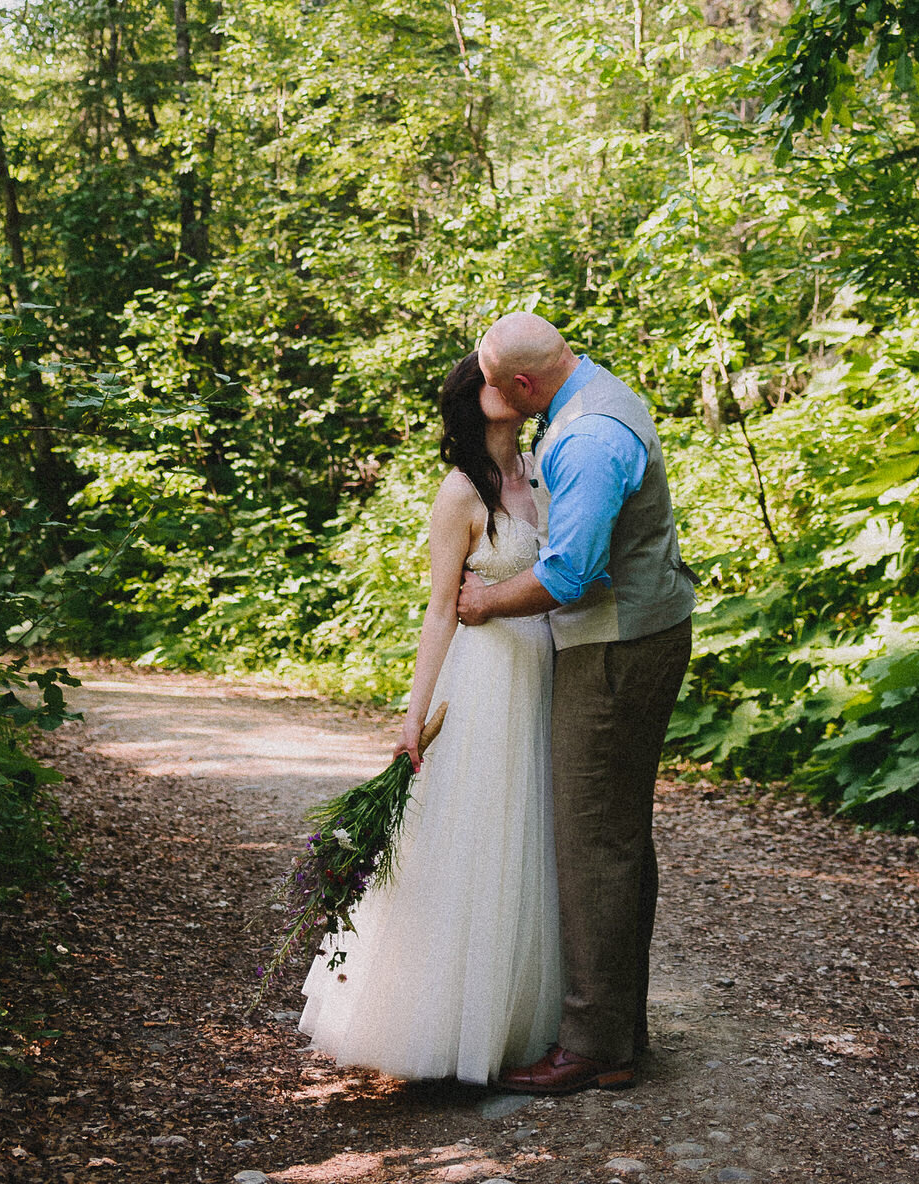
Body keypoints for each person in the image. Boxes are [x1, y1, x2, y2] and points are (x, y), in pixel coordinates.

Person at [298, 351, 562, 1082]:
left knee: (531, 836)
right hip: (484, 680)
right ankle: (446, 1029)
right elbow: (440, 608)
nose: (504, 385)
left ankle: (522, 1023)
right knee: (474, 837)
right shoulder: (458, 493)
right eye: (486, 381)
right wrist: (413, 717)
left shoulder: (542, 468)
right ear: (469, 404)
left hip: (545, 671)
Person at [458, 310, 695, 1097]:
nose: (485, 392)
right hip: (639, 634)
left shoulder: (587, 440)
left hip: (617, 647)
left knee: (592, 837)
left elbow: (572, 576)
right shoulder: (597, 392)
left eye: (493, 382)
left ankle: (594, 1044)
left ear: (524, 384)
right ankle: (619, 1028)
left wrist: (486, 603)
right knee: (617, 834)